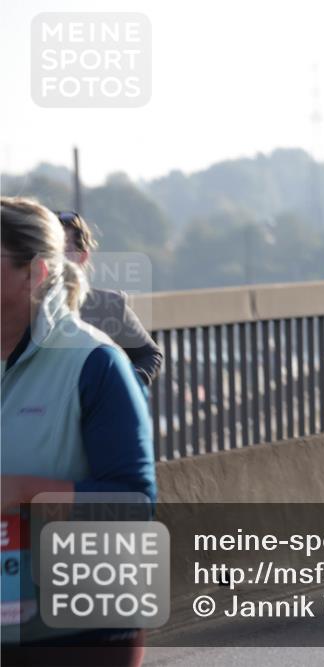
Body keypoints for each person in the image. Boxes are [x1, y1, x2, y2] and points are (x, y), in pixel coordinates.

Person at [1, 197, 156, 665]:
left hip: (80, 629)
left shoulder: (95, 363)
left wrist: (24, 492)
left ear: (38, 273)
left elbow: (135, 506)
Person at [56, 210, 163, 386]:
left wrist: (119, 387)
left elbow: (149, 356)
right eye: (48, 250)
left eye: (63, 250)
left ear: (83, 256)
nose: (54, 258)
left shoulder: (108, 306)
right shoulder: (21, 305)